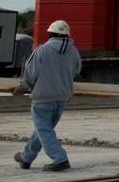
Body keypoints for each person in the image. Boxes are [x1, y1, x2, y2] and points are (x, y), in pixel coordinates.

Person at [11, 19, 81, 172]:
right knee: (43, 129)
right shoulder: (74, 51)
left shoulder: (43, 50)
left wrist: (22, 87)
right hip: (62, 98)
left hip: (43, 98)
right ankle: (26, 157)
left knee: (44, 130)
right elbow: (76, 72)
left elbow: (30, 72)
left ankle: (60, 159)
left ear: (50, 34)